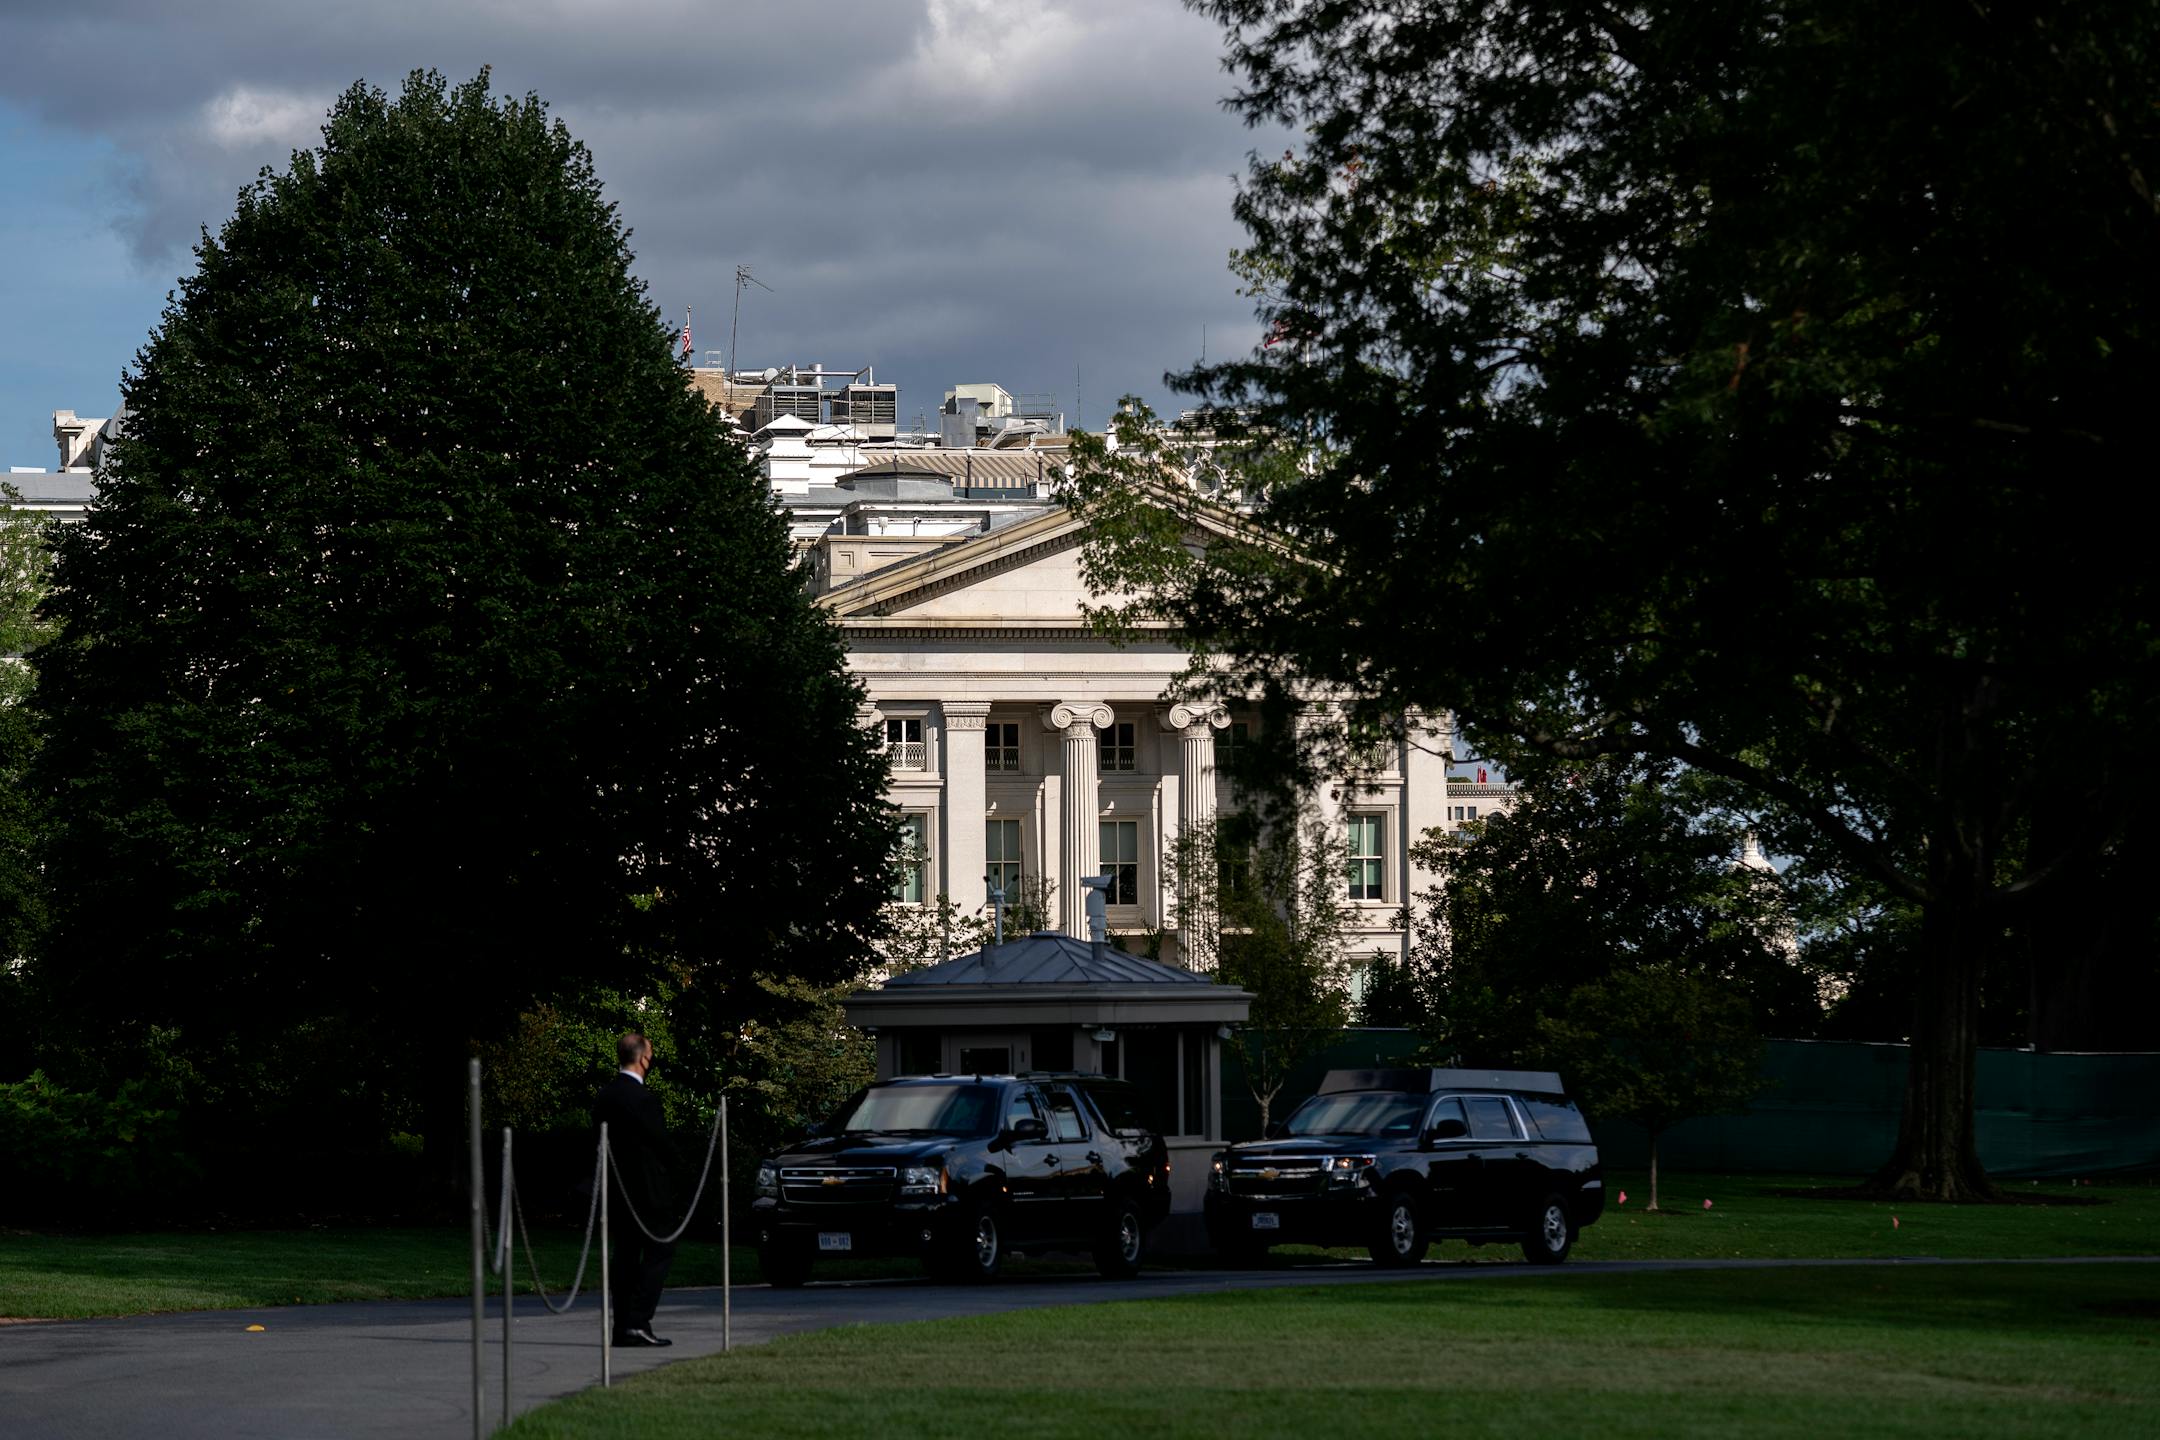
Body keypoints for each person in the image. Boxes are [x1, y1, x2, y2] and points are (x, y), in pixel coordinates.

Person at [593, 1031, 678, 1347]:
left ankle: (622, 1325)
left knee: (625, 1255)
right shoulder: (644, 1100)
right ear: (643, 1058)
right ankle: (638, 1320)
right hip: (647, 1190)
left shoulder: (604, 1096)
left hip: (616, 1189)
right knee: (661, 1250)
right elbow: (660, 1145)